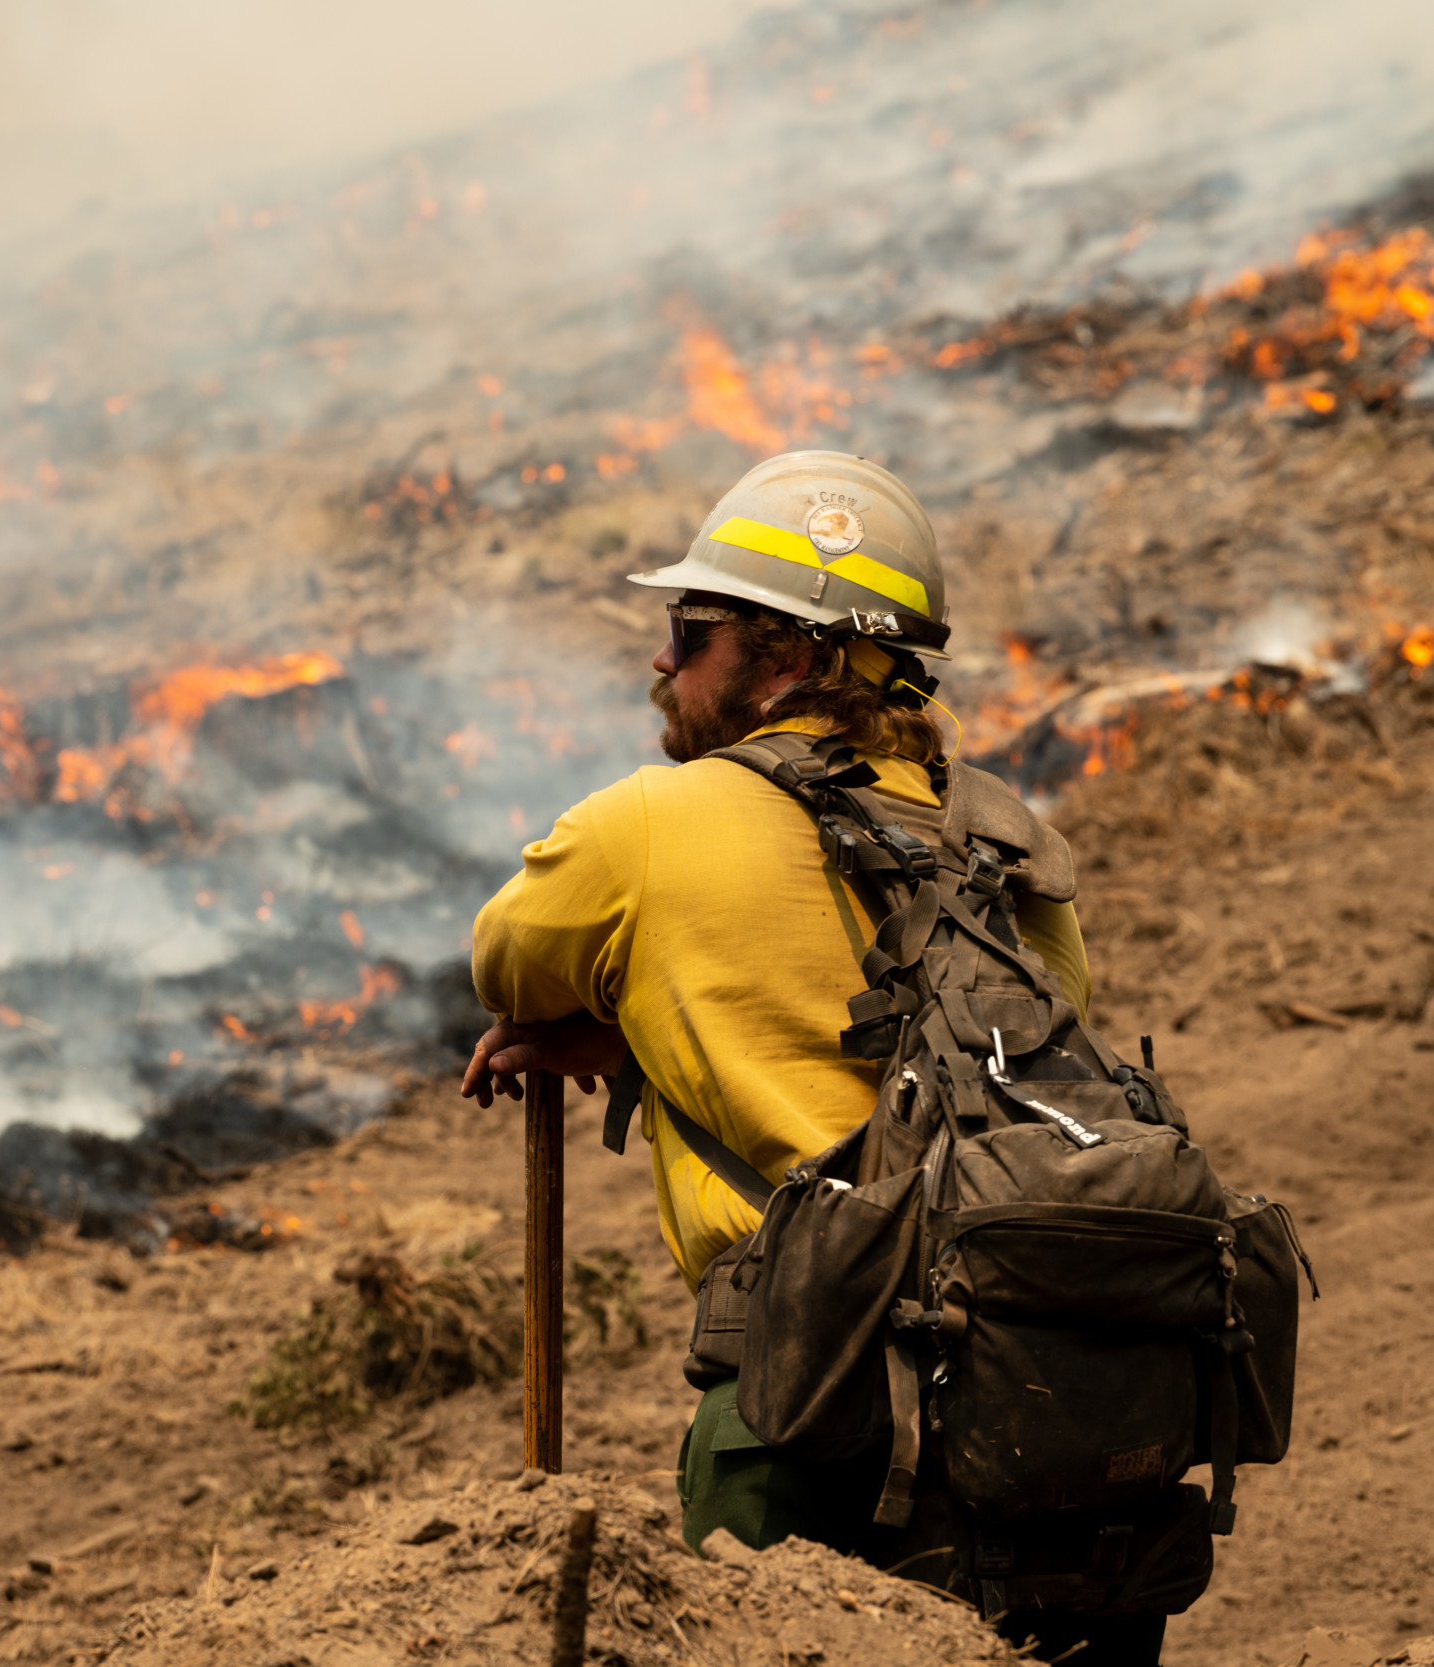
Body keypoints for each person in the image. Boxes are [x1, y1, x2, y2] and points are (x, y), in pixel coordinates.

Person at [456, 452, 1153, 1663]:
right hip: (1060, 1392)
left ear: (794, 654)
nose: (662, 660)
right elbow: (1031, 1032)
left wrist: (617, 1013)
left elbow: (508, 967)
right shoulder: (1004, 837)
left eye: (691, 627)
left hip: (802, 1404)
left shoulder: (643, 827)